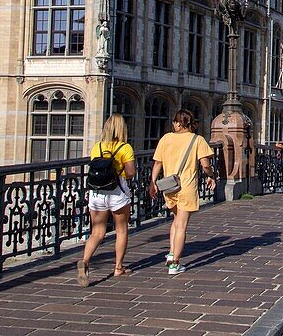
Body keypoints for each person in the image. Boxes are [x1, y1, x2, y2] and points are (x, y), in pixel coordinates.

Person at [149, 109, 217, 276]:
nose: (173, 124)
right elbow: (205, 165)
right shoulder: (197, 140)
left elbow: (157, 163)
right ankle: (174, 263)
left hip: (169, 187)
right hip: (186, 187)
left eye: (174, 121)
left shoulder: (166, 138)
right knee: (182, 225)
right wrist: (211, 176)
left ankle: (172, 252)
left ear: (179, 123)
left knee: (175, 220)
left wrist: (153, 182)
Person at [77, 114, 136, 286]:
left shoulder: (98, 147)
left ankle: (85, 261)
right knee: (121, 229)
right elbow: (131, 173)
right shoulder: (125, 148)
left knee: (97, 231)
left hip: (97, 192)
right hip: (117, 192)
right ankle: (118, 267)